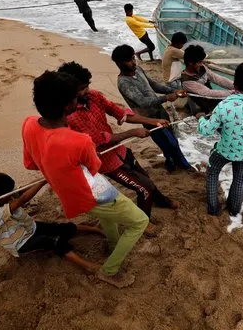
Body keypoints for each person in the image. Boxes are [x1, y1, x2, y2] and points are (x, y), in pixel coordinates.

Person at [22, 70, 149, 288]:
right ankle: (109, 271)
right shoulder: (78, 140)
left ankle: (112, 242)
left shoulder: (29, 123)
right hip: (91, 192)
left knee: (108, 216)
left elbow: (31, 163)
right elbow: (95, 167)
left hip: (68, 193)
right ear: (67, 106)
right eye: (75, 97)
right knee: (139, 222)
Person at [58, 61, 179, 235]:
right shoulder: (66, 117)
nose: (87, 91)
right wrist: (132, 133)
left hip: (120, 150)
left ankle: (160, 200)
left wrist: (152, 121)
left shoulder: (94, 97)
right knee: (143, 188)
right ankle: (143, 223)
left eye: (87, 86)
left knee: (145, 179)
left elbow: (120, 113)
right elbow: (98, 141)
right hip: (103, 160)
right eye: (82, 89)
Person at [0, 173, 102, 272]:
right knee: (54, 242)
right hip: (21, 242)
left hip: (30, 227)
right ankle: (88, 266)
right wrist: (43, 181)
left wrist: (45, 175)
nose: (12, 196)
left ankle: (94, 229)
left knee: (60, 227)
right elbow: (23, 199)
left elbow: (21, 191)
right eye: (8, 194)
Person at [197, 63, 243, 216]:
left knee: (213, 172)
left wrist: (201, 118)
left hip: (224, 150)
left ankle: (213, 209)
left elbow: (206, 130)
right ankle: (234, 210)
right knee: (240, 179)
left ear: (234, 83)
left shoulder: (224, 106)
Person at [111, 44, 193, 173]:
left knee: (172, 139)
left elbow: (154, 85)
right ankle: (183, 166)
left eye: (133, 58)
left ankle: (173, 162)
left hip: (160, 111)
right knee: (166, 143)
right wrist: (166, 97)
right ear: (119, 64)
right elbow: (143, 102)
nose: (133, 62)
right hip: (149, 118)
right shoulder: (124, 83)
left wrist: (174, 91)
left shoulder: (138, 69)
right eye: (129, 60)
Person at [180, 44, 235, 115]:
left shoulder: (202, 67)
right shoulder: (187, 81)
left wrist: (235, 86)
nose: (202, 64)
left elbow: (217, 78)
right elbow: (208, 93)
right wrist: (232, 93)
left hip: (209, 97)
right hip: (202, 103)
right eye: (199, 62)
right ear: (190, 63)